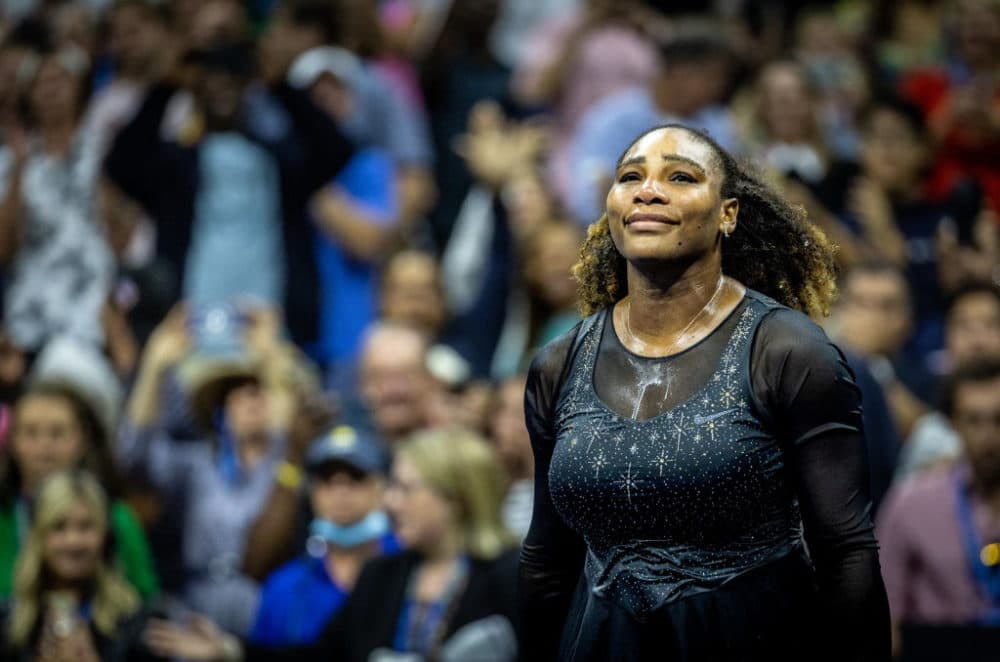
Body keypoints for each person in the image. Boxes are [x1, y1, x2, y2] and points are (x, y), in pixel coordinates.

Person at [519, 124, 890, 661]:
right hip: (603, 642)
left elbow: (846, 549)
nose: (649, 189)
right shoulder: (560, 362)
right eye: (631, 176)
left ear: (728, 214)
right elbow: (545, 559)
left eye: (680, 176)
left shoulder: (786, 350)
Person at [144, 426, 521, 662]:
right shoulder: (383, 574)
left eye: (405, 489)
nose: (390, 502)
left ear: (455, 499)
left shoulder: (512, 577)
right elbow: (323, 655)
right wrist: (232, 652)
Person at [119, 303, 313, 635]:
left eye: (259, 390)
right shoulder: (198, 465)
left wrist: (275, 355)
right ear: (221, 413)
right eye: (236, 396)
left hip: (269, 599)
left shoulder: (292, 458)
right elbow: (133, 457)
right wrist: (154, 367)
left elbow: (309, 408)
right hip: (199, 603)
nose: (251, 399)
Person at [0, 340, 158, 600]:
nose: (44, 445)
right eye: (31, 432)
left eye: (58, 432)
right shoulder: (5, 517)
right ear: (12, 441)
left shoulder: (118, 520)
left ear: (83, 438)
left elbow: (145, 601)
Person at [877, 358, 1000, 656]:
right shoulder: (912, 502)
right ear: (953, 423)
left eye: (999, 420)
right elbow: (884, 616)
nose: (988, 437)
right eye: (973, 420)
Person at [248, 424, 397, 647]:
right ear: (312, 492)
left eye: (355, 477)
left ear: (382, 487)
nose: (340, 491)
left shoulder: (409, 571)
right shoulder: (284, 587)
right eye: (327, 480)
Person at [0, 470, 162, 662]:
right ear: (38, 538)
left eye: (86, 527)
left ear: (105, 537)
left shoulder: (137, 624)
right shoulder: (9, 624)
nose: (73, 542)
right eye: (59, 527)